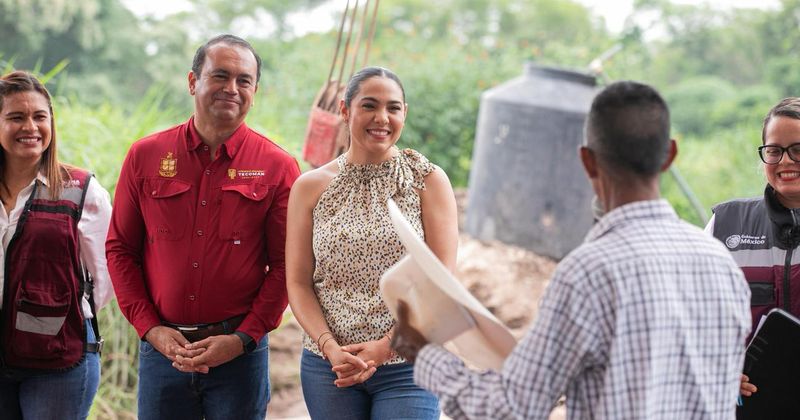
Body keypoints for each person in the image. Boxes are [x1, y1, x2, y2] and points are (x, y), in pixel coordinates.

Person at [391, 81, 752, 420]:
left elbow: (513, 407)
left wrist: (426, 357)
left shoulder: (588, 272)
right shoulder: (722, 263)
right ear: (669, 155)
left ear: (587, 161)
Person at [106, 34, 299, 420]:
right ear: (193, 81)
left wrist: (243, 338)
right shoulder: (146, 156)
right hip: (162, 352)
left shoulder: (277, 167)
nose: (232, 89)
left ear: (255, 91)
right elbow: (120, 249)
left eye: (244, 80)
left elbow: (286, 266)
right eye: (220, 76)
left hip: (239, 358)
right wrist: (150, 329)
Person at [286, 66, 458, 419]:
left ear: (404, 114)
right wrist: (330, 347)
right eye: (369, 105)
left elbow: (441, 281)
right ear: (345, 110)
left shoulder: (427, 181)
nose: (382, 118)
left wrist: (385, 347)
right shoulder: (309, 187)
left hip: (410, 363)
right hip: (330, 366)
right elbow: (298, 282)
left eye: (393, 108)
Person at [0, 71, 113, 419]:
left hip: (59, 359)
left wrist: (54, 312)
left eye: (39, 116)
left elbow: (106, 276)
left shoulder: (81, 190)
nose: (30, 127)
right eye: (16, 117)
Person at [706, 97, 800, 399]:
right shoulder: (724, 225)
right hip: (745, 405)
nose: (785, 161)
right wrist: (719, 370)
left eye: (798, 149)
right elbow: (687, 315)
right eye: (774, 151)